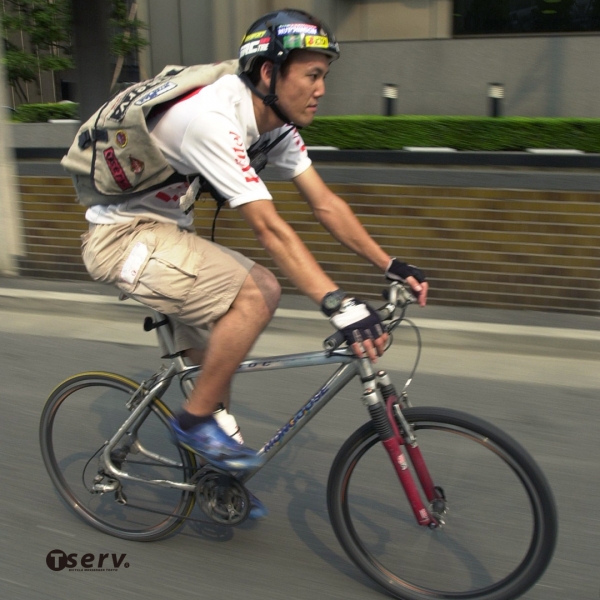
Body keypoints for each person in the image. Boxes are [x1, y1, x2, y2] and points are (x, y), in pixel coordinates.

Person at [79, 9, 428, 517]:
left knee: (217, 369)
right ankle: (191, 422)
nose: (321, 89)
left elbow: (325, 204)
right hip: (122, 240)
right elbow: (270, 228)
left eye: (324, 77)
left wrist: (389, 263)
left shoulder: (274, 126)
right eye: (312, 75)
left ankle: (213, 474)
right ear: (269, 73)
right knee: (258, 291)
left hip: (168, 236)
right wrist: (339, 305)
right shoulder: (212, 118)